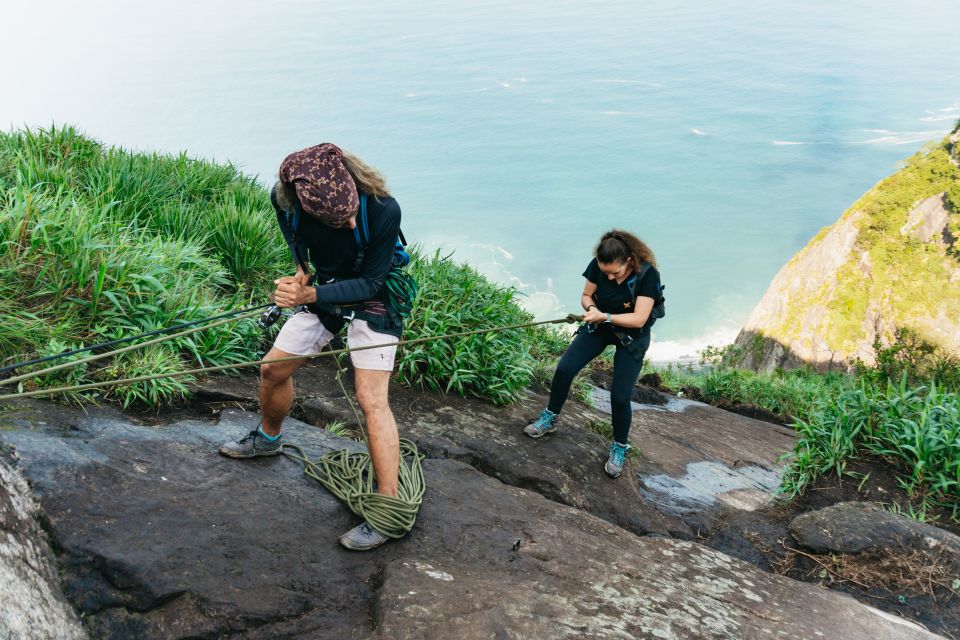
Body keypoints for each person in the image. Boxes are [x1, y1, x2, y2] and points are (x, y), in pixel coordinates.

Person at [219, 143, 404, 551]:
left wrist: (309, 295)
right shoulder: (285, 202)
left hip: (378, 294)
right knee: (272, 369)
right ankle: (269, 439)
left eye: (353, 211)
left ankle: (388, 509)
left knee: (371, 397)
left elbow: (372, 283)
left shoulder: (383, 209)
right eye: (341, 221)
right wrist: (298, 281)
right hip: (326, 288)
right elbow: (301, 254)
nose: (353, 223)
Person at [524, 230, 662, 478]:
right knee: (565, 368)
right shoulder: (598, 265)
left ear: (629, 260)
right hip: (600, 326)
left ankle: (620, 446)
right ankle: (550, 418)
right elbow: (587, 295)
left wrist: (605, 315)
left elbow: (639, 317)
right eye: (605, 271)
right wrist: (592, 309)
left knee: (620, 396)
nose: (609, 276)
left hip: (632, 335)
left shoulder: (647, 274)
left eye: (614, 273)